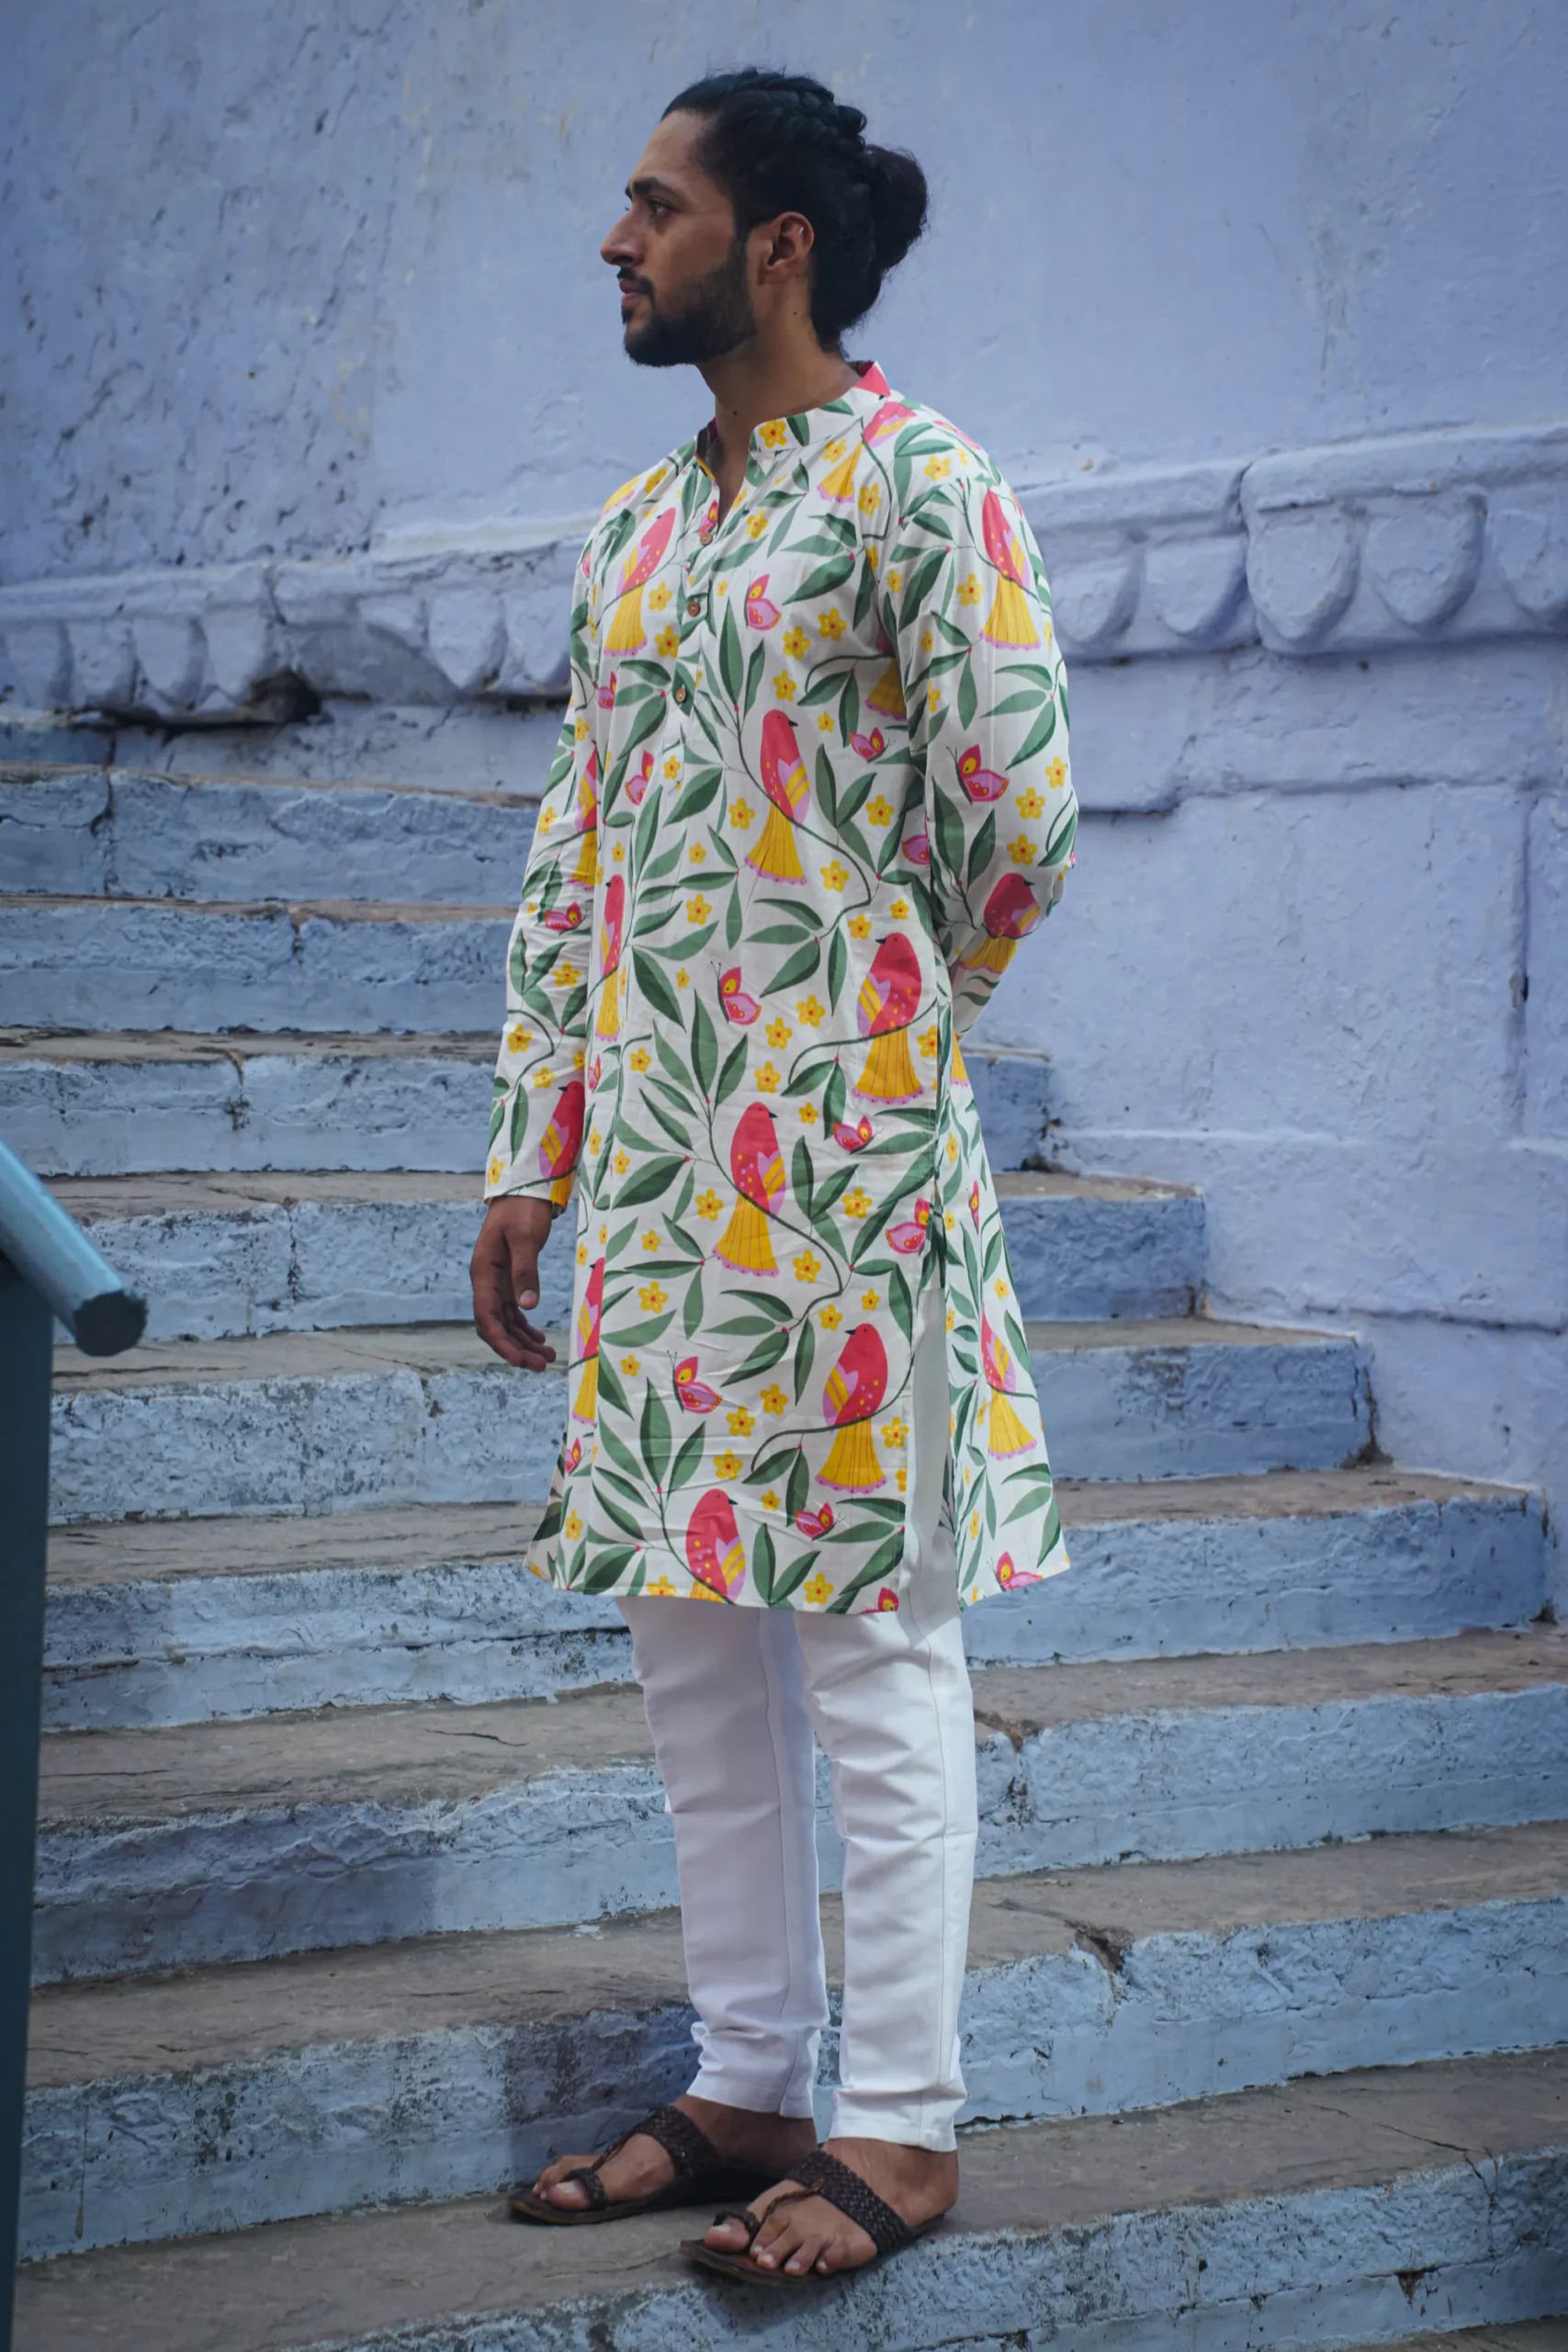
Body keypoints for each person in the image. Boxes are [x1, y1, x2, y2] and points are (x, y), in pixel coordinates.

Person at [470, 64, 1077, 2288]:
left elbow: (1018, 820)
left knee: (869, 1646)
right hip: (653, 1178)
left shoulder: (926, 487)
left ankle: (900, 2121)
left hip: (844, 1166)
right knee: (689, 1641)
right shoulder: (640, 530)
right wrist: (537, 1142)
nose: (616, 240)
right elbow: (578, 852)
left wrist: (873, 1026)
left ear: (778, 243)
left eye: (655, 205)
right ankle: (745, 2073)